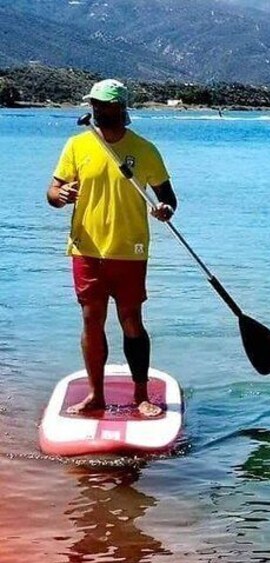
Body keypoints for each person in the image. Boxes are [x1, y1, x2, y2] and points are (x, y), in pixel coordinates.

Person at [47, 79, 177, 417]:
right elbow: (54, 190)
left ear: (121, 107)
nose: (99, 110)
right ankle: (95, 395)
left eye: (105, 105)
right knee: (92, 320)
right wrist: (58, 196)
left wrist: (165, 211)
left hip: (129, 250)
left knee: (131, 320)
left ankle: (141, 395)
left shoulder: (145, 149)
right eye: (95, 105)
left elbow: (168, 197)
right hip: (86, 248)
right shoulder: (77, 145)